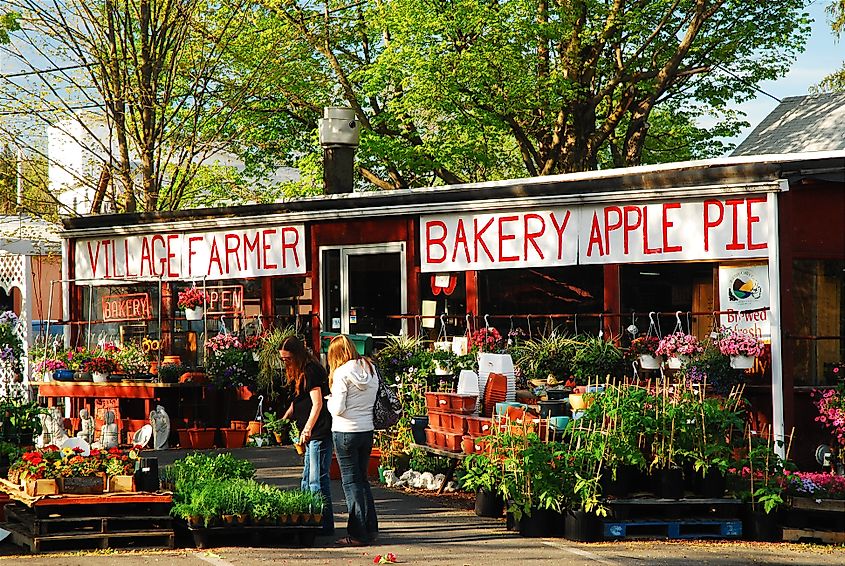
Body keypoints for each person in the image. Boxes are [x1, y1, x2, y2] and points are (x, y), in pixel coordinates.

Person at [326, 335, 379, 547]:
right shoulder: (370, 369)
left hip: (345, 431)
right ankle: (370, 528)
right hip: (367, 430)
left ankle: (357, 533)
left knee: (350, 483)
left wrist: (329, 402)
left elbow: (338, 408)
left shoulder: (340, 373)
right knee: (363, 480)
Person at [280, 336, 334, 535]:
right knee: (306, 480)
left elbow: (317, 403)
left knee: (317, 480)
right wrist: (285, 418)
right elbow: (299, 400)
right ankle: (308, 519)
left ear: (297, 355)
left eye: (287, 358)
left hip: (318, 431)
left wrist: (308, 429)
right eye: (282, 359)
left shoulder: (311, 370)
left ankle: (323, 524)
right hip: (309, 431)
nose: (285, 362)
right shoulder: (300, 371)